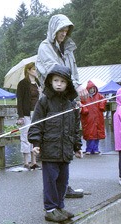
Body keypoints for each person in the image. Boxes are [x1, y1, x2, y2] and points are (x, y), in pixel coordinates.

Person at [36, 13, 86, 198]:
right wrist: (73, 84)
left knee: (66, 137)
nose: (63, 34)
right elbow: (53, 71)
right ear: (53, 30)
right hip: (52, 99)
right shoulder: (45, 47)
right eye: (61, 30)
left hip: (67, 97)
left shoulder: (69, 49)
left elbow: (74, 71)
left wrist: (76, 92)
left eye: (66, 30)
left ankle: (64, 186)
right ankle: (52, 193)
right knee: (53, 141)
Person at [28, 64, 83, 223]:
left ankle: (59, 206)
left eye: (62, 81)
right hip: (50, 150)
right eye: (56, 80)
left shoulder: (72, 104)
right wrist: (36, 143)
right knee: (50, 181)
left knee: (63, 180)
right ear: (50, 82)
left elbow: (75, 128)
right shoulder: (44, 102)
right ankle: (50, 209)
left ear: (68, 84)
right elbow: (36, 124)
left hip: (65, 151)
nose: (59, 84)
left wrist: (77, 146)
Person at [16, 61, 42, 169]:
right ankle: (26, 162)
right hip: (26, 113)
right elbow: (20, 101)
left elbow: (42, 100)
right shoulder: (22, 84)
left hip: (36, 113)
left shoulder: (38, 83)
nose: (36, 71)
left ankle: (34, 161)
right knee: (25, 136)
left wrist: (41, 92)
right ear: (28, 70)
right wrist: (21, 116)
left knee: (35, 135)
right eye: (34, 69)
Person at [80, 80, 107, 155]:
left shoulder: (99, 96)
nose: (92, 90)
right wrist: (84, 110)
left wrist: (101, 105)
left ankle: (95, 149)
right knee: (90, 134)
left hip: (98, 118)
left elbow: (104, 100)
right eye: (90, 89)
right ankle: (89, 149)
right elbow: (81, 105)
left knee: (97, 134)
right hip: (88, 119)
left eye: (93, 88)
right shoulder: (84, 97)